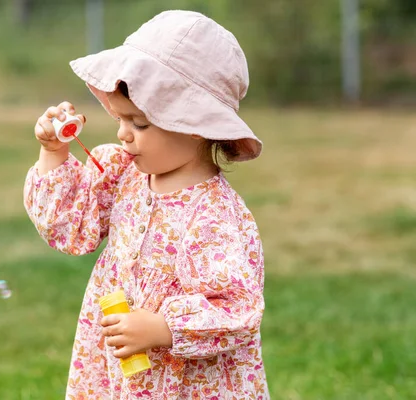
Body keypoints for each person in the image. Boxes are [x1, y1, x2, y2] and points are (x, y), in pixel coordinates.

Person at [24, 10, 269, 399]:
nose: (123, 134)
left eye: (139, 123)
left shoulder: (213, 215)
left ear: (194, 124)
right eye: (121, 119)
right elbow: (70, 228)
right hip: (119, 374)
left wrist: (165, 328)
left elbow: (237, 309)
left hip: (185, 384)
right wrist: (53, 152)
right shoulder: (124, 174)